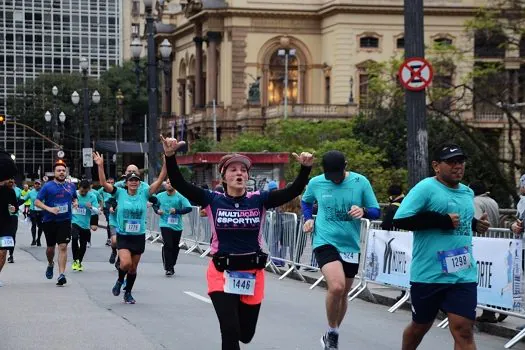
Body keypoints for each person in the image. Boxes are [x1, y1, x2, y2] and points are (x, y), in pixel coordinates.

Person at [161, 135, 313, 350]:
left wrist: (305, 169)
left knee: (245, 335)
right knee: (229, 330)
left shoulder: (259, 200)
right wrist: (170, 156)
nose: (239, 173)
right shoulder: (212, 200)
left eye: (243, 170)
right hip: (221, 273)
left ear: (248, 176)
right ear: (224, 177)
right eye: (233, 170)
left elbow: (293, 191)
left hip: (252, 274)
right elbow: (179, 183)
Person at [392, 143, 490, 350]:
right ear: (436, 166)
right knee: (420, 326)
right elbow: (400, 220)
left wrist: (474, 224)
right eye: (451, 162)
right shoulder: (426, 188)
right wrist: (440, 220)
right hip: (429, 274)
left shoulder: (466, 192)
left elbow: (459, 219)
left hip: (462, 274)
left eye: (461, 161)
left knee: (463, 329)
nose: (458, 166)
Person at [301, 150, 381, 350]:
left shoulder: (360, 182)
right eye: (331, 177)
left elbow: (376, 210)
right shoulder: (317, 182)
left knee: (344, 293)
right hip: (324, 240)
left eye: (337, 175)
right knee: (336, 287)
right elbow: (306, 201)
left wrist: (363, 211)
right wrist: (308, 218)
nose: (334, 180)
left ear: (345, 166)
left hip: (350, 244)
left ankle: (332, 333)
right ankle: (332, 331)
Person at [93, 152, 166, 304]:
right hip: (124, 235)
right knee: (125, 263)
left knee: (133, 268)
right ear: (126, 183)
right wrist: (100, 166)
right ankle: (120, 280)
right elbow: (104, 184)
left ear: (139, 183)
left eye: (136, 180)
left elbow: (160, 180)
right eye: (131, 180)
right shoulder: (119, 193)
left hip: (138, 236)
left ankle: (128, 293)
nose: (133, 182)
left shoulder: (144, 194)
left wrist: (167, 162)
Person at [35, 159, 78, 286]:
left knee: (63, 246)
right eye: (59, 170)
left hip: (65, 220)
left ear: (66, 172)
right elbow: (37, 202)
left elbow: (74, 198)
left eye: (63, 171)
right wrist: (49, 209)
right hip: (49, 221)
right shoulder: (47, 186)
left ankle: (61, 275)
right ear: (54, 172)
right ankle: (50, 263)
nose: (61, 172)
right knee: (50, 249)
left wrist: (75, 202)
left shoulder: (71, 186)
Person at [153, 178, 192, 276]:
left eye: (171, 182)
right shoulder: (160, 195)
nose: (169, 184)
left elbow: (189, 208)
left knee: (175, 246)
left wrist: (177, 211)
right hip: (164, 223)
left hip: (177, 226)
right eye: (168, 182)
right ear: (165, 184)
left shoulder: (180, 196)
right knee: (168, 244)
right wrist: (157, 211)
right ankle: (168, 268)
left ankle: (171, 264)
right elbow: (155, 205)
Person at [71, 179, 100, 271]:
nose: (83, 193)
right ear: (79, 188)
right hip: (74, 221)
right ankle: (75, 259)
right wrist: (73, 204)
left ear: (89, 189)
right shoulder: (74, 194)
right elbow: (66, 204)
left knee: (83, 244)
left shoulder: (92, 196)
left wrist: (91, 207)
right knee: (74, 238)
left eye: (85, 191)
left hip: (85, 224)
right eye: (82, 191)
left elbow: (97, 211)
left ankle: (79, 261)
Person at [0, 151, 18, 286]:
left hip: (6, 223)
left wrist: (13, 209)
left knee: (2, 251)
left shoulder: (10, 191)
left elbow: (15, 207)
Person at [23, 179, 44, 246]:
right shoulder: (31, 192)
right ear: (34, 185)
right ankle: (33, 239)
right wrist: (16, 204)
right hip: (33, 210)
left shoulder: (44, 192)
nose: (37, 185)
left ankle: (38, 239)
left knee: (40, 226)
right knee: (34, 225)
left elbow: (48, 201)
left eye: (38, 184)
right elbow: (24, 199)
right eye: (36, 184)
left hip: (41, 211)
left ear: (41, 185)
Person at [6, 179, 21, 263]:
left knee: (12, 235)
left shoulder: (17, 190)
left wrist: (16, 207)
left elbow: (20, 201)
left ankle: (11, 255)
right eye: (9, 182)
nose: (10, 183)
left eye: (12, 182)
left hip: (13, 216)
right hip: (3, 216)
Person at [98, 177, 115, 246]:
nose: (110, 184)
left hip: (114, 206)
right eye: (109, 182)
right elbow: (97, 194)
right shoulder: (102, 189)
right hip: (106, 207)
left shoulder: (116, 189)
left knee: (114, 222)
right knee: (109, 221)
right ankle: (109, 238)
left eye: (112, 183)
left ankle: (114, 237)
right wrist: (100, 203)